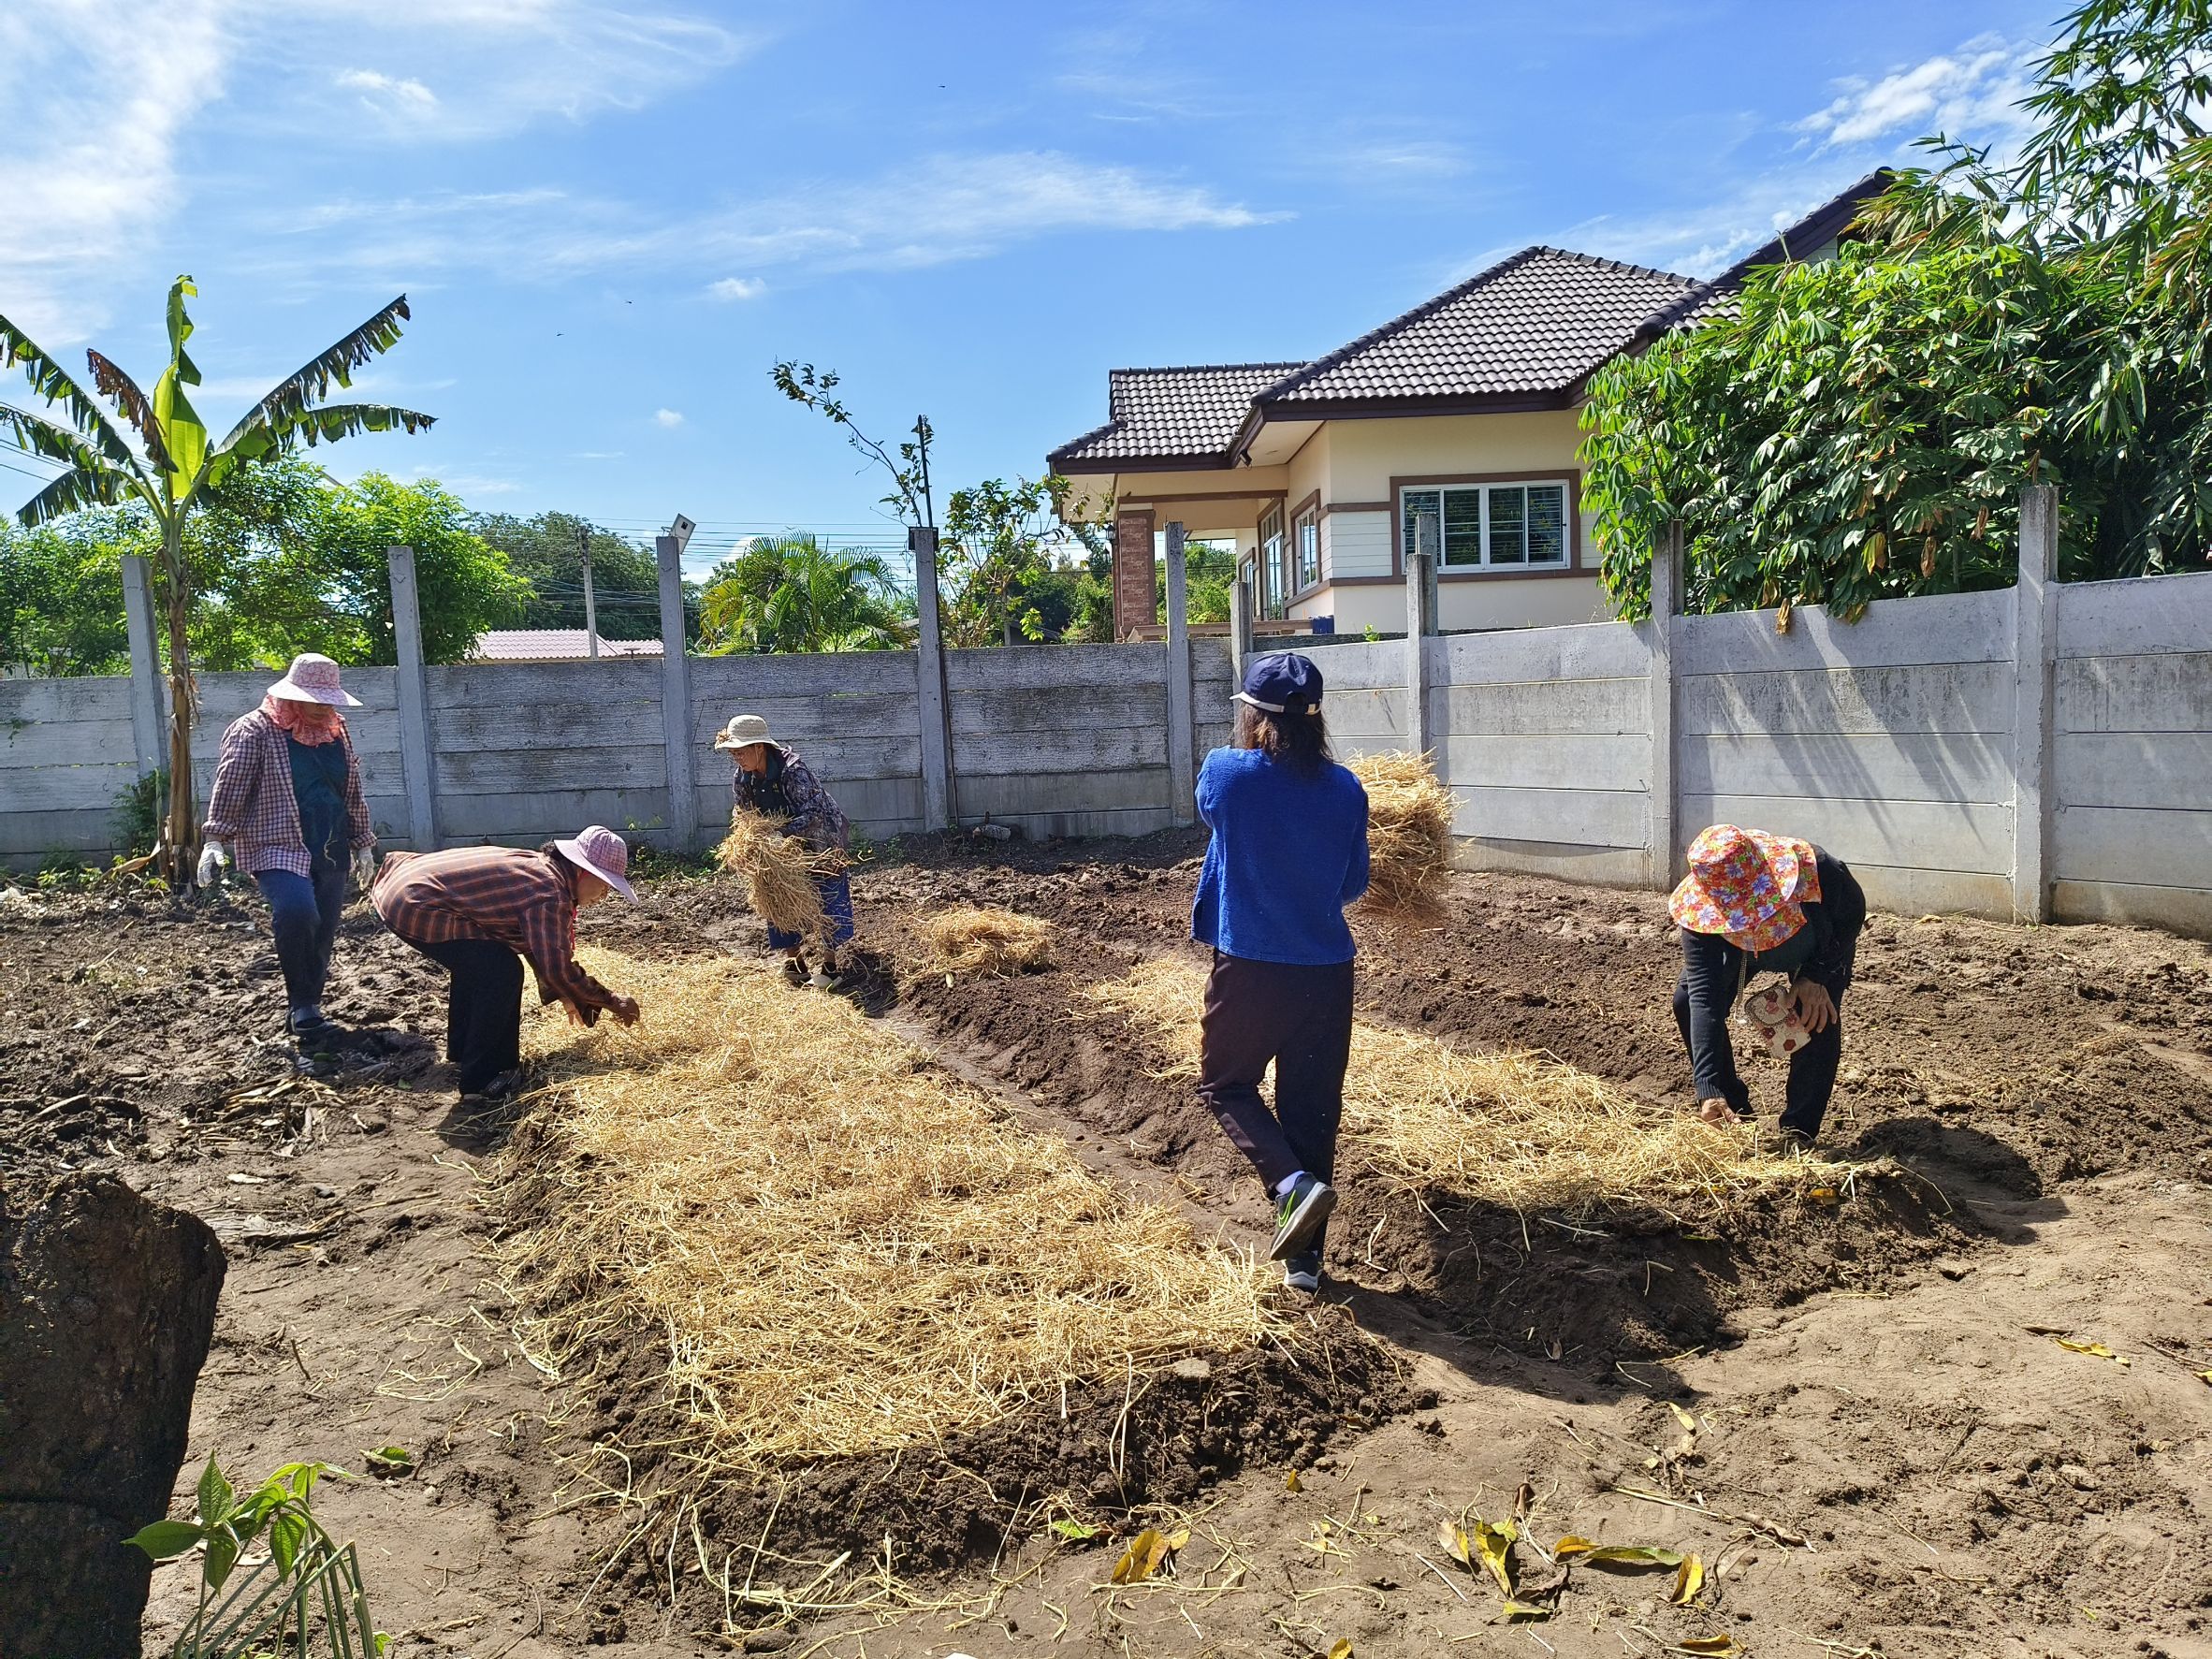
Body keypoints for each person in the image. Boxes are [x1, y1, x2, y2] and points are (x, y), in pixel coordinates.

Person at [1190, 651, 1370, 1294]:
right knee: (1313, 1112)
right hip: (1327, 972)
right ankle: (1305, 1265)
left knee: (1224, 1085)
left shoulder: (1227, 774)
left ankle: (1292, 1184)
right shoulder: (1348, 788)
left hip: (1252, 969)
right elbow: (1353, 883)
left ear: (1254, 716)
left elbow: (1214, 815)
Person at [371, 824, 642, 1099]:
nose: (604, 896)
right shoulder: (549, 893)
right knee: (500, 972)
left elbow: (540, 950)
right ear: (583, 871)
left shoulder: (542, 868)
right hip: (415, 903)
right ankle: (482, 1080)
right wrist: (611, 1001)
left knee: (483, 963)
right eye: (604, 885)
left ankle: (464, 1052)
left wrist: (569, 994)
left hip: (404, 883)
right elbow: (557, 967)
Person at [199, 653, 378, 1043]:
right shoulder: (254, 730)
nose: (322, 708)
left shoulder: (336, 730)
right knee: (297, 912)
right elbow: (230, 785)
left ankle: (306, 1005)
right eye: (314, 700)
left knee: (324, 929)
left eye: (327, 700)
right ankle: (302, 1004)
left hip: (329, 843)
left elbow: (350, 789)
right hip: (276, 842)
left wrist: (362, 843)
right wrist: (215, 838)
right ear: (293, 695)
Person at [1668, 823, 1867, 1150]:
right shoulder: (1702, 918)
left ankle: (1799, 1132)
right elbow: (1705, 999)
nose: (1749, 921)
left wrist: (1816, 976)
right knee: (1686, 1001)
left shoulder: (1820, 871)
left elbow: (1852, 916)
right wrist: (1707, 1087)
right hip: (1740, 956)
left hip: (1816, 950)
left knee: (1815, 1013)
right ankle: (1732, 1109)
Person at [713, 713, 853, 988]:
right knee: (773, 890)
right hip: (779, 848)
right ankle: (795, 962)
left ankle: (830, 965)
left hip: (819, 839)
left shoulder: (793, 772)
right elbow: (742, 812)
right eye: (733, 753)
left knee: (827, 891)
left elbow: (814, 814)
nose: (737, 758)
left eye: (741, 752)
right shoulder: (743, 778)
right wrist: (745, 840)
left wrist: (780, 833)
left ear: (759, 747)